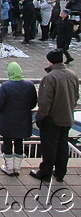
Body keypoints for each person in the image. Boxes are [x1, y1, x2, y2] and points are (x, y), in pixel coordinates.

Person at [31, 49, 80, 182]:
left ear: (50, 61)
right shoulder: (73, 75)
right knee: (63, 145)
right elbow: (76, 96)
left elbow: (45, 101)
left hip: (52, 119)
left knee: (49, 147)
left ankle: (45, 173)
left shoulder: (50, 77)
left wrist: (40, 117)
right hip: (67, 117)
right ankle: (60, 172)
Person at [0, 62, 37, 177]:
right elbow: (33, 103)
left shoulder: (6, 86)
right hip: (23, 119)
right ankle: (17, 168)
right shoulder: (29, 85)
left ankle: (9, 167)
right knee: (19, 142)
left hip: (7, 120)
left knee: (7, 142)